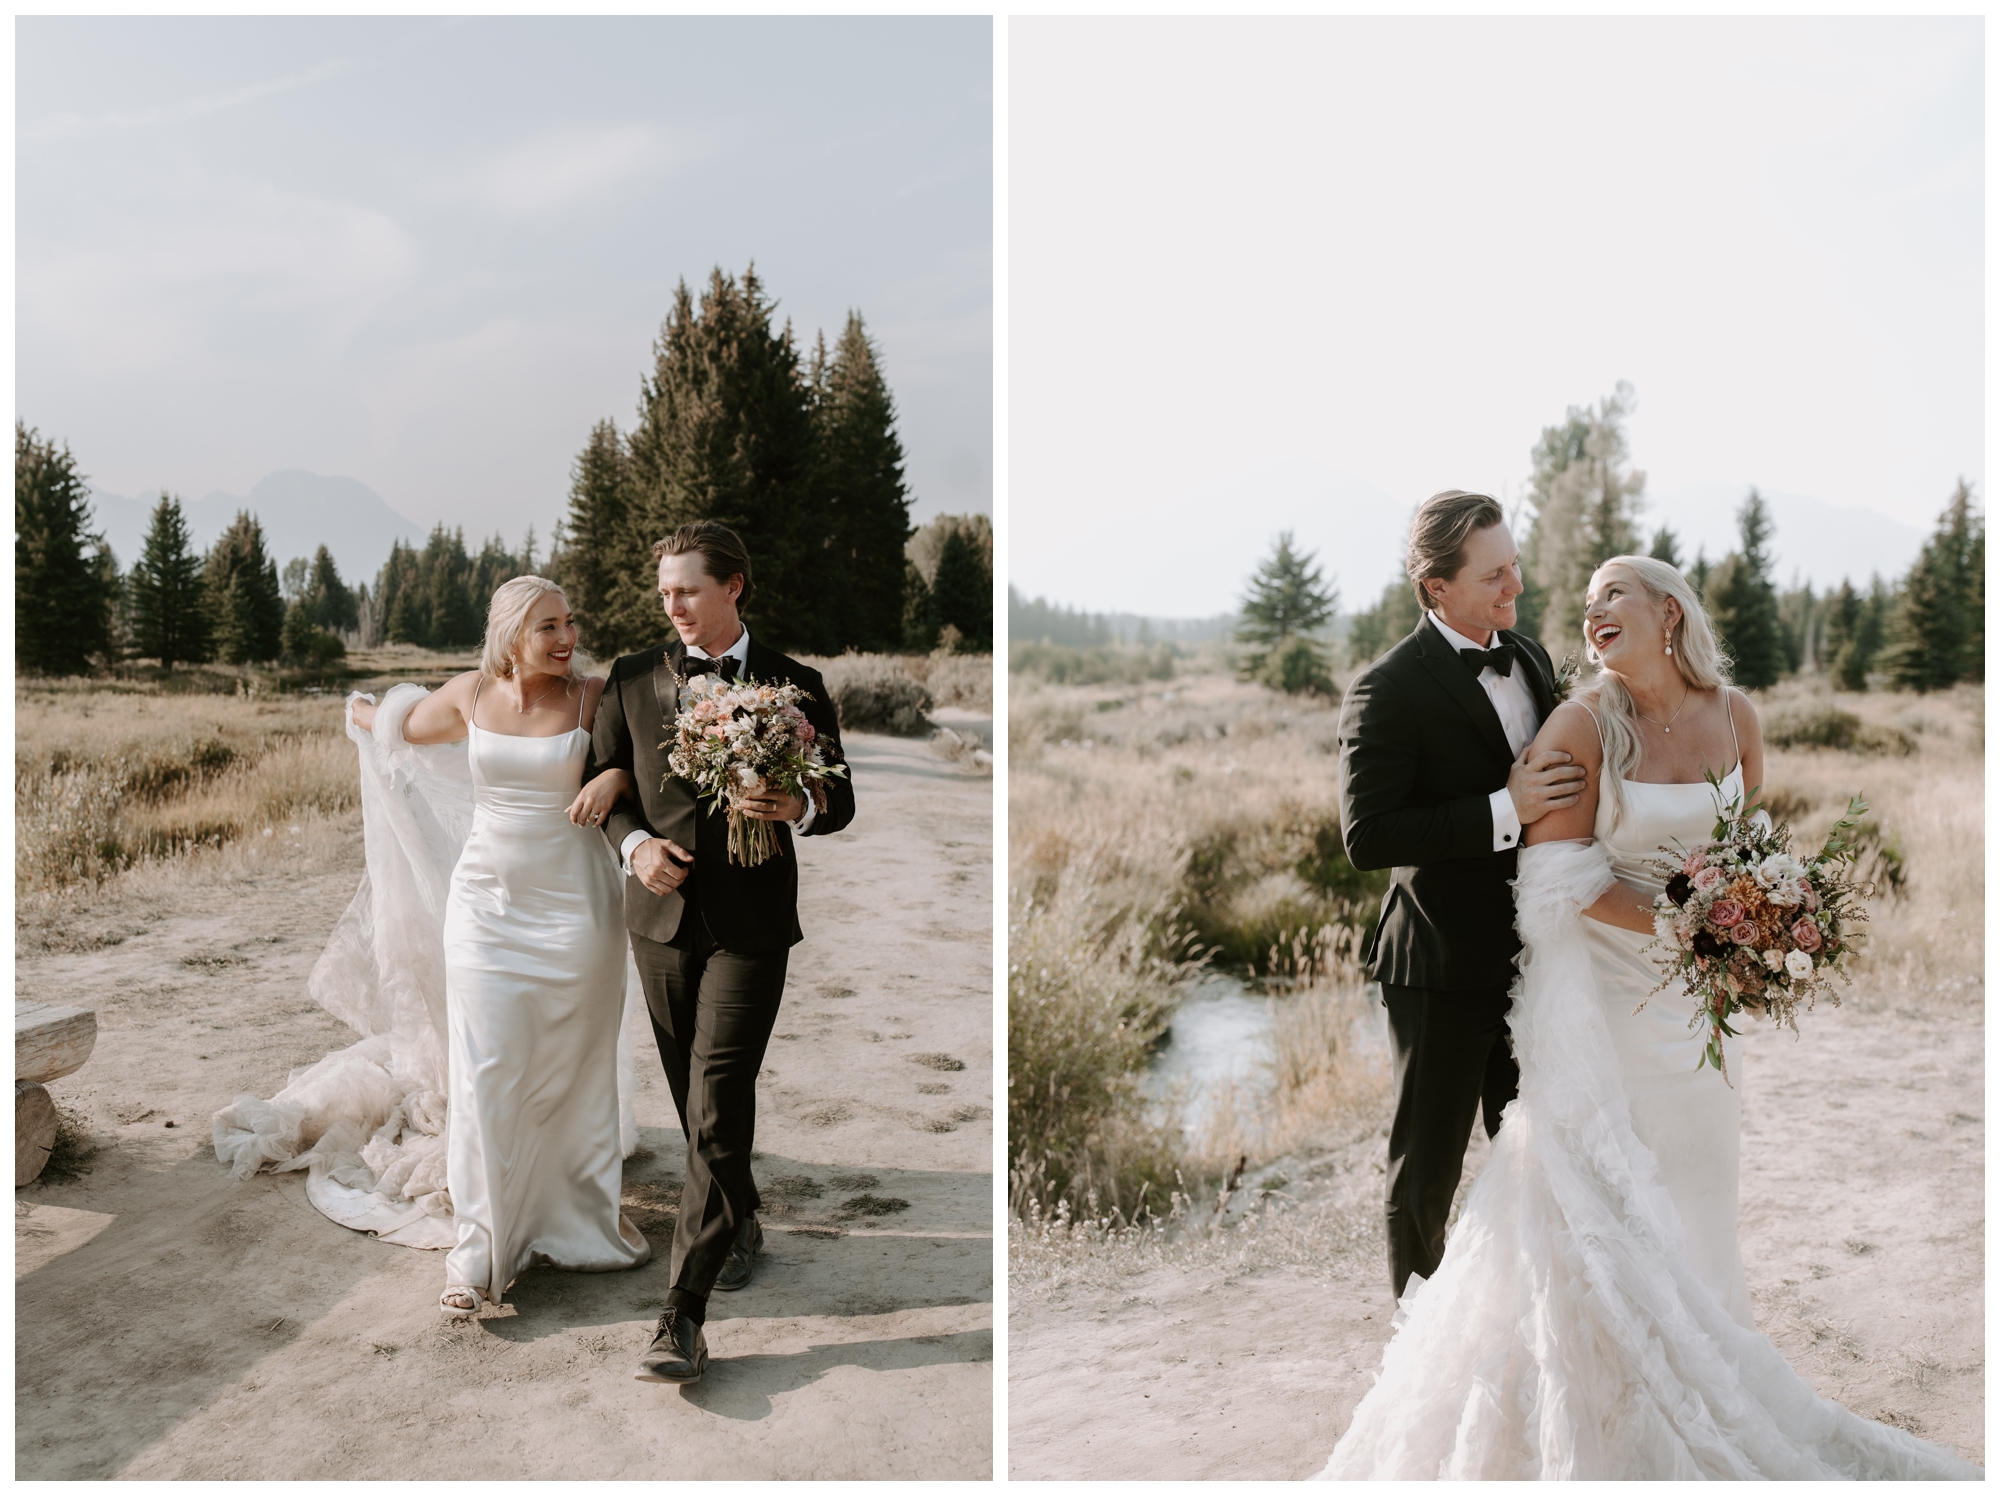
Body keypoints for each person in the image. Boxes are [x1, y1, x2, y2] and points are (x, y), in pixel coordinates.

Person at [1319, 556, 1980, 1478]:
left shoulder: (1738, 716)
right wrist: (1699, 923)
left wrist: (1762, 926)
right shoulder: (1581, 721)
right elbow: (1554, 877)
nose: (1589, 612)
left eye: (1610, 597)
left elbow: (1756, 848)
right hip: (1607, 1002)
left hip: (1701, 1011)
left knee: (1699, 1193)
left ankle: (1710, 1369)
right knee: (1590, 1197)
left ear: (1669, 613)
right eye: (1584, 603)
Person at [589, 521, 855, 1384]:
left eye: (688, 592)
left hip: (752, 927)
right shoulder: (631, 679)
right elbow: (606, 787)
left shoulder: (799, 684)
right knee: (690, 1100)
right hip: (657, 925)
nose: (673, 608)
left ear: (733, 587)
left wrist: (798, 809)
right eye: (664, 594)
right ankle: (738, 1215)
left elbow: (840, 796)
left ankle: (682, 1316)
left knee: (716, 1102)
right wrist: (635, 850)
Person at [346, 577, 650, 1315]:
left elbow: (654, 761)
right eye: (549, 626)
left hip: (578, 907)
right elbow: (400, 728)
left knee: (570, 1065)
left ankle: (574, 1220)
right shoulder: (469, 695)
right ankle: (480, 1250)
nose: (567, 637)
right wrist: (357, 710)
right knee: (485, 1070)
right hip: (484, 908)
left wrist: (611, 774)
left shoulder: (596, 697)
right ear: (511, 632)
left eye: (570, 622)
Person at [1336, 489, 1583, 1300]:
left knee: (1546, 1155)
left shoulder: (1533, 658)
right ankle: (1415, 1353)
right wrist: (1506, 809)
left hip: (1536, 959)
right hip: (1439, 967)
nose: (1514, 591)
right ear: (1436, 585)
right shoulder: (1387, 689)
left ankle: (1531, 1327)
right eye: (1494, 578)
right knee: (1427, 1175)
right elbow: (1368, 836)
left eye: (1514, 569)